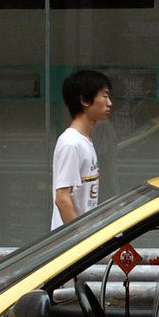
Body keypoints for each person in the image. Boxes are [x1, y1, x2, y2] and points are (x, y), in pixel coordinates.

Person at [51, 69, 113, 228]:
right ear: (85, 100)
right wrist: (81, 240)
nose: (109, 103)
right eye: (105, 96)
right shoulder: (71, 143)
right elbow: (62, 199)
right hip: (71, 245)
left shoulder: (85, 141)